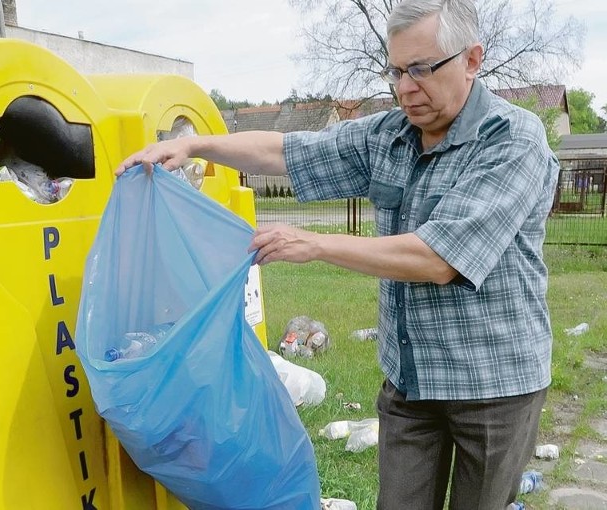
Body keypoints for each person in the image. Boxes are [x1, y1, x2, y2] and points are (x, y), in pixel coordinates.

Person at [116, 0, 559, 507]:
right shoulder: (389, 135)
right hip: (411, 381)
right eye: (396, 71)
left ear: (472, 60)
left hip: (493, 385)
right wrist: (195, 147)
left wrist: (317, 244)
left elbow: (440, 259)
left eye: (420, 69)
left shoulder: (513, 140)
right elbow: (286, 150)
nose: (405, 88)